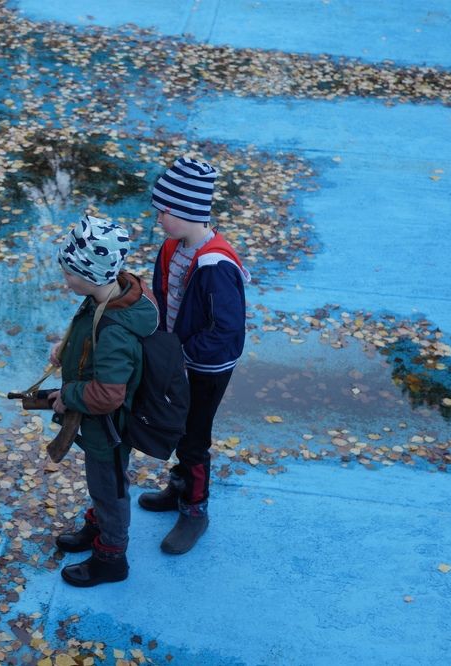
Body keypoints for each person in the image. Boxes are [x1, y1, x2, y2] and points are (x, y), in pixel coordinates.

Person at [141, 156, 250, 554]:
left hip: (206, 367)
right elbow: (164, 296)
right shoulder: (172, 247)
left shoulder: (216, 264)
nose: (158, 218)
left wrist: (183, 354)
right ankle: (179, 485)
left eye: (164, 211)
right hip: (179, 359)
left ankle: (195, 509)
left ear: (187, 211)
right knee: (177, 426)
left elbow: (226, 329)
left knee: (195, 435)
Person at [47, 214, 158, 587]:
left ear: (91, 275)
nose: (66, 279)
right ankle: (98, 528)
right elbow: (91, 342)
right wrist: (68, 348)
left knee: (109, 489)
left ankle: (111, 557)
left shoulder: (115, 330)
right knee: (102, 484)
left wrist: (68, 395)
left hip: (109, 428)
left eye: (70, 273)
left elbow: (108, 394)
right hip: (102, 425)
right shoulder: (112, 292)